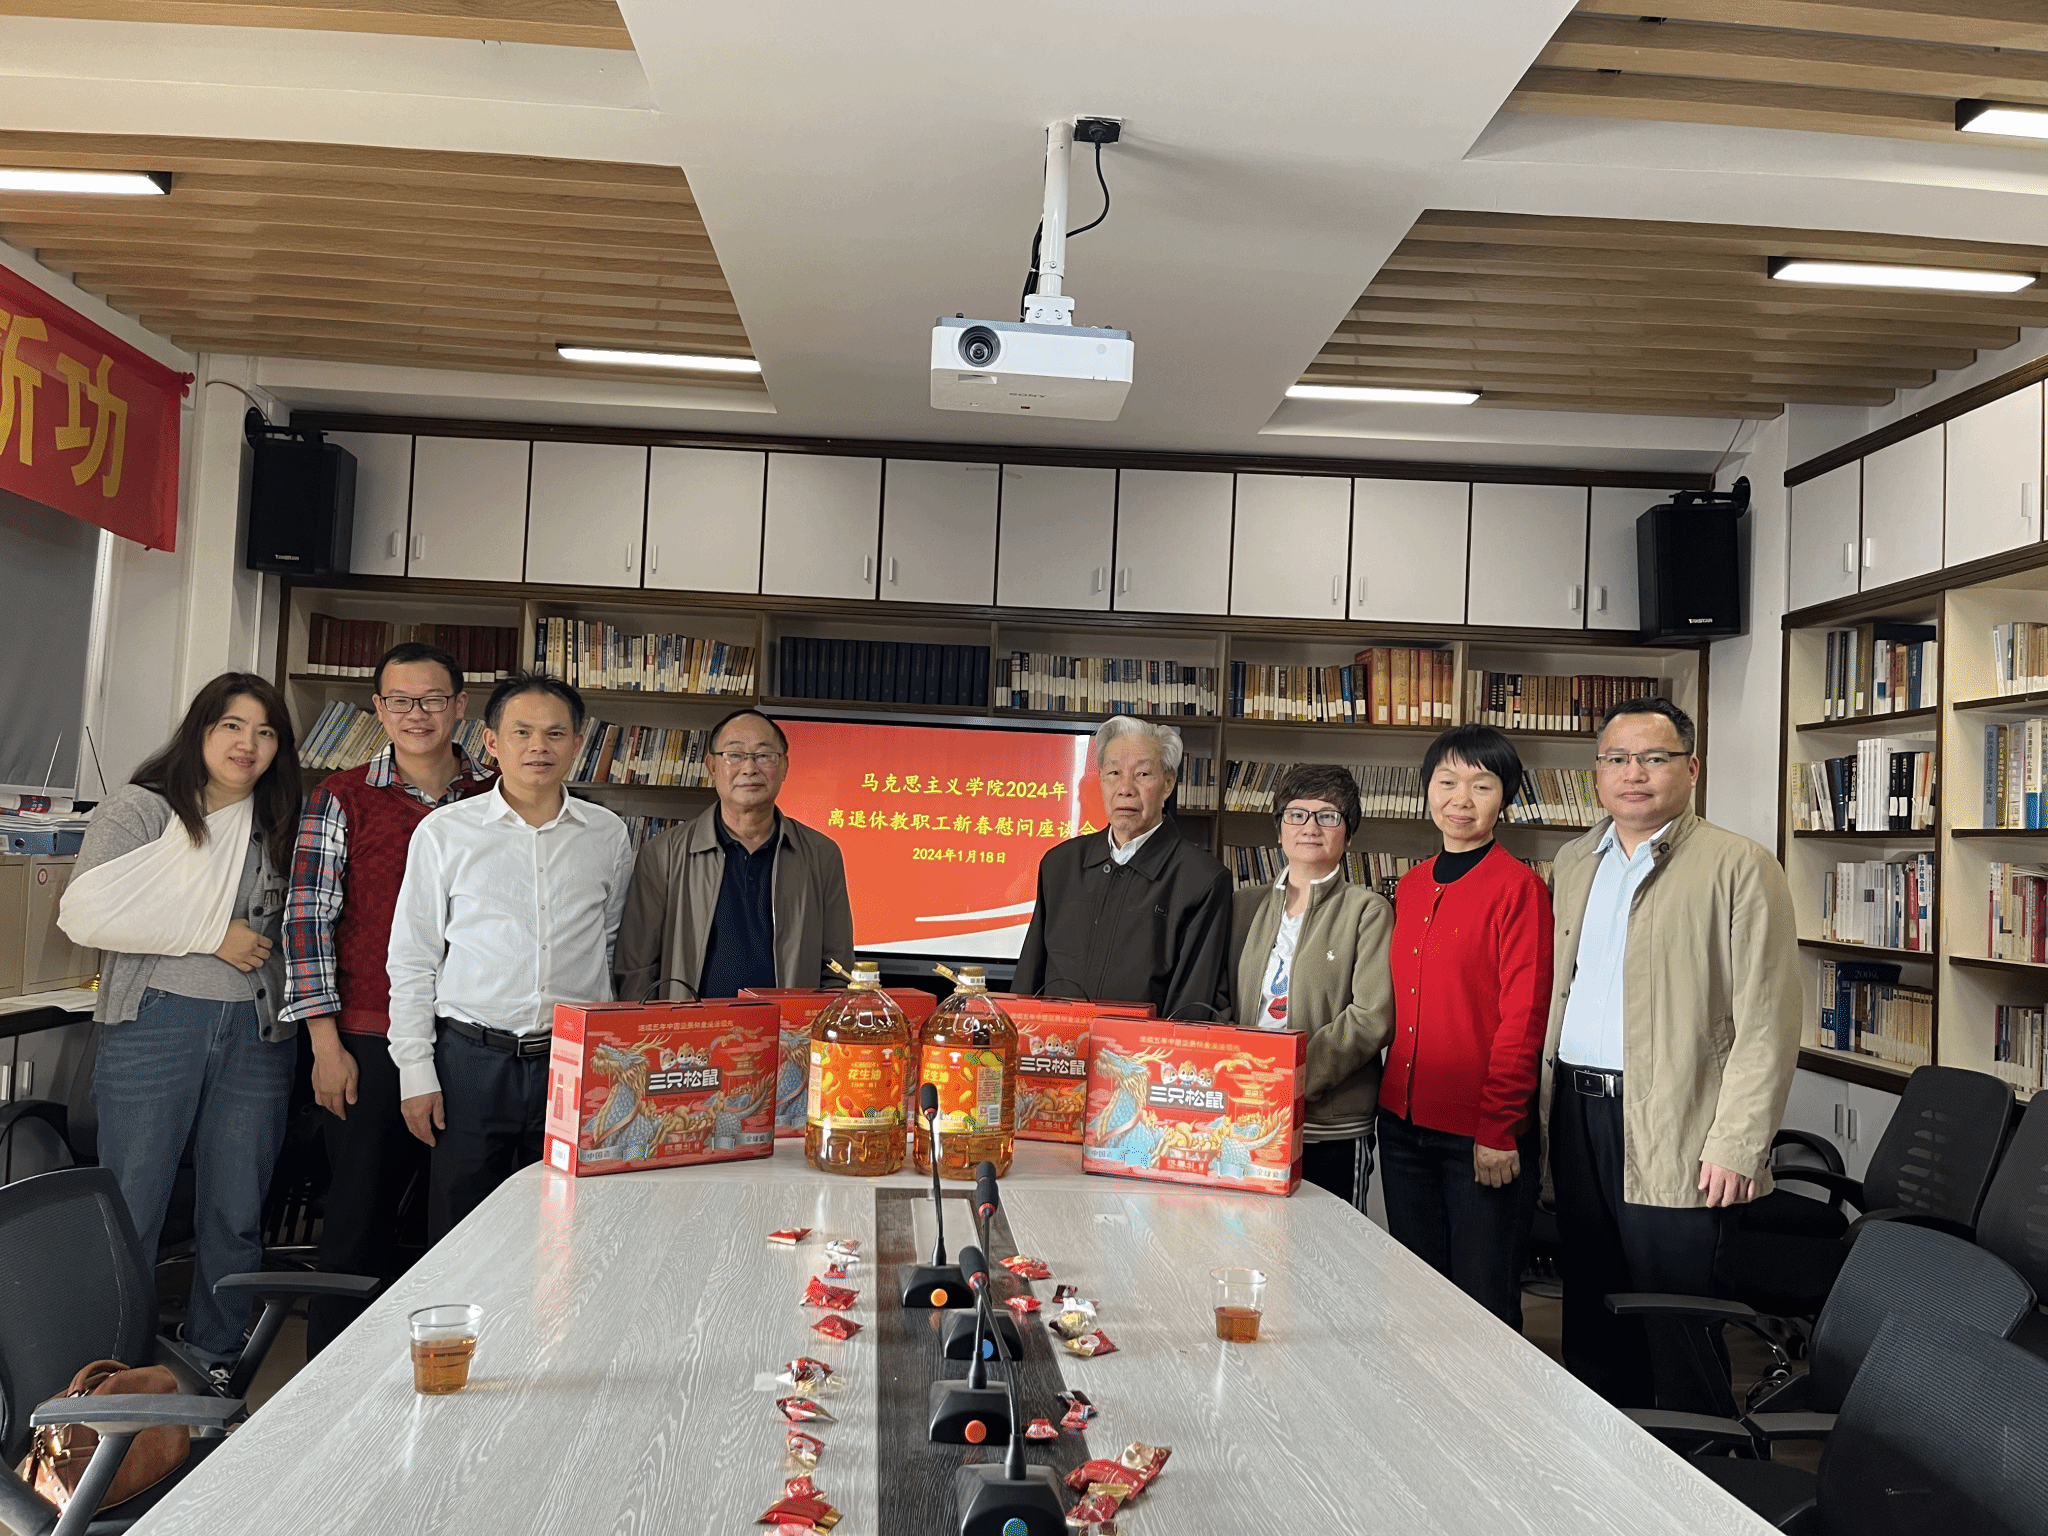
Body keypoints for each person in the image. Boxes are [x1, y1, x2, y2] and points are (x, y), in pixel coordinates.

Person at [1543, 696, 1800, 1413]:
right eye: (1618, 759)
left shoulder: (1740, 866)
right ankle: (1598, 1448)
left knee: (1676, 1317)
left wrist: (1739, 1144)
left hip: (1679, 1119)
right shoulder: (1574, 861)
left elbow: (1768, 1021)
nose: (1634, 774)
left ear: (1691, 769)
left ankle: (1698, 1457)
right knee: (1592, 1305)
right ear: (1598, 773)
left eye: (1654, 758)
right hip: (1577, 1109)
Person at [56, 673, 302, 1367]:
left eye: (265, 732)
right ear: (200, 730)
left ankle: (214, 1359)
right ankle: (111, 1368)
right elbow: (84, 915)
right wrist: (210, 934)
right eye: (232, 726)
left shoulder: (279, 820)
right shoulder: (141, 809)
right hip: (155, 1023)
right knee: (133, 1201)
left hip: (258, 1033)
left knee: (236, 1211)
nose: (248, 744)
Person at [281, 641, 497, 1355]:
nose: (417, 714)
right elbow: (307, 924)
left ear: (460, 706)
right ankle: (333, 1384)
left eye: (433, 699)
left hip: (470, 1038)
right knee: (357, 1220)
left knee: (462, 1222)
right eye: (400, 700)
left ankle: (451, 1368)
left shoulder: (497, 794)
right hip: (367, 1039)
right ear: (377, 708)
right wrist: (324, 1045)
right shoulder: (340, 796)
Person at [387, 673, 633, 1238]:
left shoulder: (607, 834)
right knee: (462, 1232)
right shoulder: (445, 832)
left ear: (578, 743)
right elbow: (413, 959)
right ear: (492, 742)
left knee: (566, 1227)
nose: (538, 746)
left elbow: (610, 943)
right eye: (521, 732)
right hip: (471, 1061)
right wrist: (415, 1072)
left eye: (555, 733)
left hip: (573, 1062)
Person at [1378, 725, 1553, 1327]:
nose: (1461, 799)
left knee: (1483, 1303)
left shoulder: (1520, 889)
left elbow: (1524, 1017)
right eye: (1447, 782)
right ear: (1427, 790)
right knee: (1415, 1293)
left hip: (1479, 1133)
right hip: (1402, 1126)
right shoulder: (1411, 884)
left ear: (1506, 798)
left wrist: (1499, 1127)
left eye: (1481, 785)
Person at [1228, 764, 1393, 1209]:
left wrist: (1291, 1080)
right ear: (1279, 828)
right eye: (1296, 814)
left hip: (1329, 1123)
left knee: (1329, 1244)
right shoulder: (1243, 905)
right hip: (1245, 1112)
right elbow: (1220, 998)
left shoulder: (1368, 911)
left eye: (1328, 816)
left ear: (1348, 834)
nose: (1310, 827)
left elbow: (1371, 1018)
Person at [614, 708, 853, 1001]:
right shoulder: (663, 854)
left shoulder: (821, 854)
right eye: (735, 755)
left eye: (764, 755)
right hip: (690, 1027)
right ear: (712, 766)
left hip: (789, 1029)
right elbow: (636, 970)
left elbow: (838, 971)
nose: (749, 768)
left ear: (784, 767)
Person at [1015, 716, 1233, 1020]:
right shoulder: (1060, 865)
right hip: (1057, 1043)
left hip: (1141, 1050)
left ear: (1168, 783)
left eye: (1142, 774)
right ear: (1101, 779)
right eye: (1114, 773)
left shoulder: (1203, 880)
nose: (1125, 789)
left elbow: (1191, 1006)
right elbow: (1028, 980)